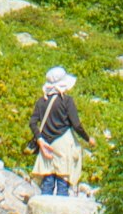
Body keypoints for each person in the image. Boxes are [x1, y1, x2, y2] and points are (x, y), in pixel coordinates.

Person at [28, 67, 85, 196]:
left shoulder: (41, 101)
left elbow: (32, 123)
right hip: (63, 145)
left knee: (47, 181)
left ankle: (43, 212)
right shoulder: (67, 101)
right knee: (62, 182)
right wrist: (88, 139)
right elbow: (76, 124)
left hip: (46, 145)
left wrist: (40, 140)